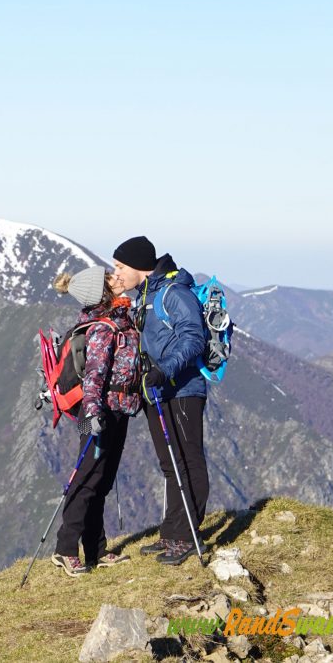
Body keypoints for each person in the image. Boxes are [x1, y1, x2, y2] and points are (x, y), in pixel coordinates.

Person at [111, 236, 208, 566]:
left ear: (139, 265)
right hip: (157, 391)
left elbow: (194, 337)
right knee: (170, 464)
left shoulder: (173, 293)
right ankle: (172, 532)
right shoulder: (146, 296)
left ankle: (187, 537)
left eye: (120, 266)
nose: (117, 273)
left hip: (182, 390)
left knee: (188, 461)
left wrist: (164, 370)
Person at [49, 265, 140, 577]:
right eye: (110, 278)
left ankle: (96, 549)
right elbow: (94, 375)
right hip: (99, 412)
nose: (117, 279)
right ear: (101, 292)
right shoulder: (103, 327)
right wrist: (92, 414)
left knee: (101, 478)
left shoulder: (118, 319)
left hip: (117, 408)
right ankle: (65, 549)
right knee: (87, 477)